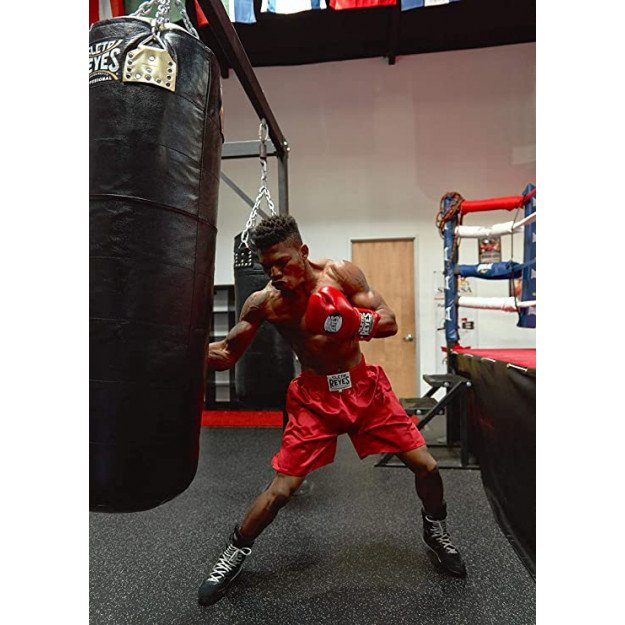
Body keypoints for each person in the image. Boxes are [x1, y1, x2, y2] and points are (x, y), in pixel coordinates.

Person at [198, 215, 466, 606]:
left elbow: (389, 322)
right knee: (281, 490)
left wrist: (347, 321)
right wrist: (179, 352)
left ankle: (435, 528)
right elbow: (226, 353)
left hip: (365, 389)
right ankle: (235, 552)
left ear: (303, 253)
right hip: (313, 401)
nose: (274, 273)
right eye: (266, 265)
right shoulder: (265, 302)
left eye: (282, 262)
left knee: (426, 465)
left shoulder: (342, 275)